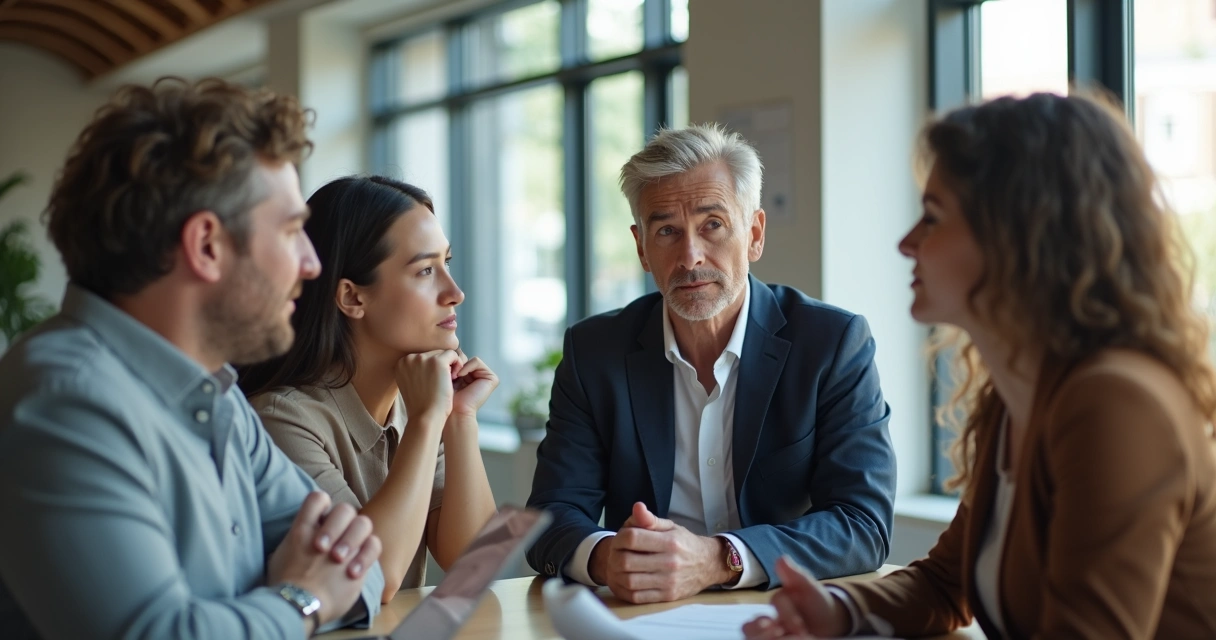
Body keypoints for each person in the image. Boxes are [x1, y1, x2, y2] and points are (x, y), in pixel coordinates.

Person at [744, 92, 1216, 639]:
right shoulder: (1019, 394)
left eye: (933, 217)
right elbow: (945, 585)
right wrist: (839, 612)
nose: (905, 243)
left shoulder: (1115, 402)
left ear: (1020, 234)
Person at [0, 78, 386, 639]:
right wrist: (301, 600)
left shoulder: (218, 392)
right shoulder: (63, 403)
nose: (311, 264)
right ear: (206, 245)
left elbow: (360, 568)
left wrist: (285, 604)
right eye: (291, 231)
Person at [526, 124, 897, 604]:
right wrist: (605, 557)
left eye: (712, 225)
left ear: (755, 234)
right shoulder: (594, 352)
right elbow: (550, 516)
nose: (690, 256)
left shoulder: (830, 344)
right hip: (643, 618)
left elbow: (862, 522)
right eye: (666, 232)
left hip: (779, 614)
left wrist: (720, 559)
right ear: (641, 247)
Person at [239, 176, 498, 603]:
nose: (455, 293)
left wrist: (460, 418)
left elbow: (478, 563)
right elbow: (373, 580)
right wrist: (429, 419)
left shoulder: (415, 406)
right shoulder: (280, 419)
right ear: (352, 297)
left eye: (447, 263)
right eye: (426, 270)